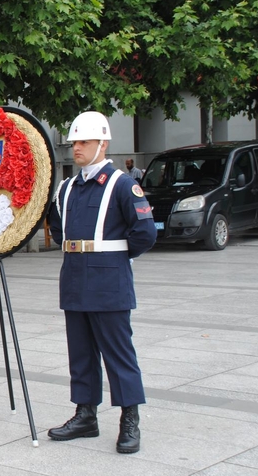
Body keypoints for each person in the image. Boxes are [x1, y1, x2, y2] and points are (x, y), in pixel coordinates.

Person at [47, 112, 157, 454]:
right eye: (74, 142)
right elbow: (58, 229)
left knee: (118, 354)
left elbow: (145, 233)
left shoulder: (122, 184)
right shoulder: (67, 187)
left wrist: (115, 259)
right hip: (75, 278)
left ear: (103, 144)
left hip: (108, 280)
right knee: (80, 353)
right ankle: (86, 414)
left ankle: (130, 419)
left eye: (84, 142)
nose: (76, 148)